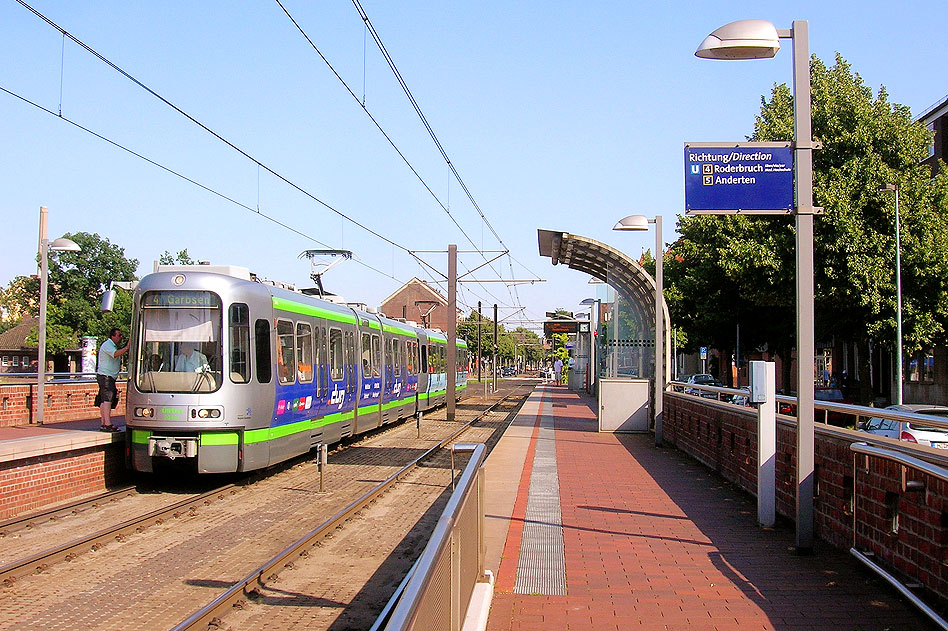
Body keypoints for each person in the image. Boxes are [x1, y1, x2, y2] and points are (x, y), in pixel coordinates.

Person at [96, 328, 128, 432]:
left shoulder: (112, 345)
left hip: (108, 376)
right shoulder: (108, 345)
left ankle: (104, 423)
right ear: (112, 336)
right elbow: (115, 354)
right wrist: (126, 348)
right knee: (107, 400)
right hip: (106, 376)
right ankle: (107, 424)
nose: (120, 337)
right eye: (119, 335)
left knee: (104, 400)